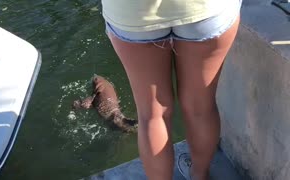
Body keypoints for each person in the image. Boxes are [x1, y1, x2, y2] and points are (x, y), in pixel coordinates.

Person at [101, 0, 242, 179]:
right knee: (200, 108)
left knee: (152, 115)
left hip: (133, 13)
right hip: (205, 8)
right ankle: (199, 176)